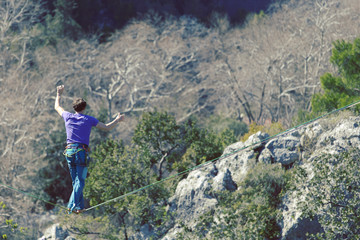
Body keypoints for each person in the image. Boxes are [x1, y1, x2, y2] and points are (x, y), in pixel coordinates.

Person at [54, 85, 124, 213]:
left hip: (69, 152)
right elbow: (107, 127)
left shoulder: (67, 116)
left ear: (74, 108)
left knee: (76, 181)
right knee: (80, 181)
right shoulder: (89, 120)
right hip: (80, 152)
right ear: (84, 108)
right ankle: (71, 206)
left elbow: (57, 107)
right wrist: (117, 120)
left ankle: (79, 207)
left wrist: (59, 94)